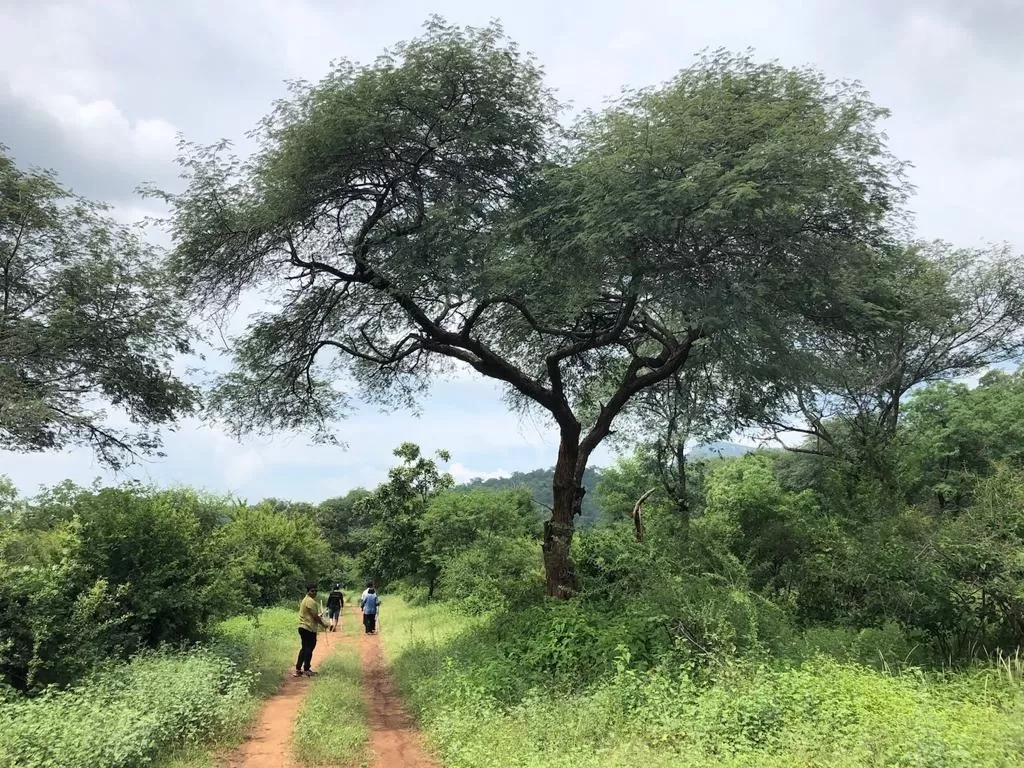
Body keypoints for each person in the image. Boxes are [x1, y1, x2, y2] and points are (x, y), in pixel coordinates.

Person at [295, 582, 327, 677]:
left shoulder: (305, 600)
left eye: (316, 591)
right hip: (308, 628)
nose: (314, 593)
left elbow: (312, 615)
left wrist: (318, 617)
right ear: (308, 591)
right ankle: (306, 669)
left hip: (303, 627)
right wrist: (323, 624)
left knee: (304, 648)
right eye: (312, 591)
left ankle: (298, 669)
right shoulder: (310, 601)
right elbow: (315, 617)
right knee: (309, 648)